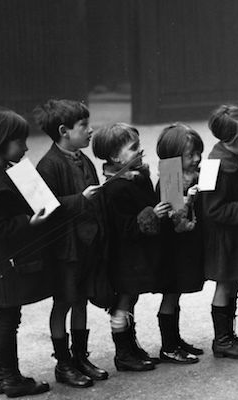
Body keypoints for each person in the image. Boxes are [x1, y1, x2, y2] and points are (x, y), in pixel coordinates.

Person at [0, 108, 52, 397]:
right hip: (3, 262)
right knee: (8, 316)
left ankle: (3, 375)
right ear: (1, 142)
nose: (26, 147)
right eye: (20, 142)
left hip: (2, 261)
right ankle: (9, 378)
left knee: (7, 315)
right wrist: (29, 222)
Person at [33, 99, 106, 388]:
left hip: (87, 243)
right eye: (84, 126)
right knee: (63, 301)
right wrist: (80, 200)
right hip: (66, 249)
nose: (91, 131)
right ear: (64, 130)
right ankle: (63, 363)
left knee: (81, 299)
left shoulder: (84, 158)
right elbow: (42, 208)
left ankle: (80, 356)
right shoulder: (48, 165)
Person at [92, 122, 168, 372]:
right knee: (123, 301)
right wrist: (152, 214)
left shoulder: (136, 177)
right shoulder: (115, 187)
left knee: (131, 299)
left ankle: (131, 346)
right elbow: (124, 227)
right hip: (124, 255)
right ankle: (123, 352)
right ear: (115, 156)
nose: (139, 151)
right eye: (133, 148)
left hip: (135, 252)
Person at [201, 105, 238, 359]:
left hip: (235, 234)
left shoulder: (235, 158)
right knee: (225, 286)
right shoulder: (216, 166)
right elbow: (211, 210)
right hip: (223, 237)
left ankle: (228, 335)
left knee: (233, 284)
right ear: (231, 140)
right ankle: (222, 340)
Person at [154, 123, 207, 364]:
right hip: (170, 249)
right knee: (171, 294)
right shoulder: (170, 177)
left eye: (199, 153)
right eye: (190, 155)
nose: (197, 159)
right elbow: (177, 220)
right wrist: (190, 198)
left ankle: (175, 340)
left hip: (182, 246)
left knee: (176, 296)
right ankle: (168, 346)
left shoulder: (188, 175)